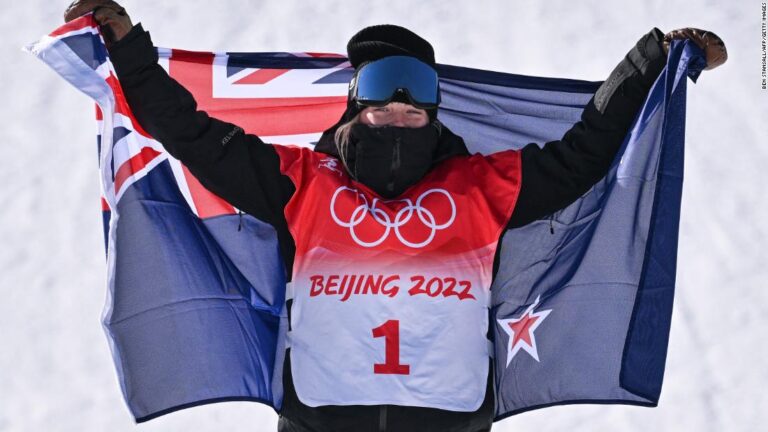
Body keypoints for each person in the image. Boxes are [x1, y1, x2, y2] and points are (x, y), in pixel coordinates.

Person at [64, 2, 727, 431]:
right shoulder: (300, 182)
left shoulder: (481, 186)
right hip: (321, 421)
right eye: (382, 103)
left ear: (433, 115)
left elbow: (585, 152)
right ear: (354, 108)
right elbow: (189, 133)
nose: (399, 116)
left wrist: (652, 63)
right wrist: (126, 49)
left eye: (415, 108)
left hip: (449, 421)